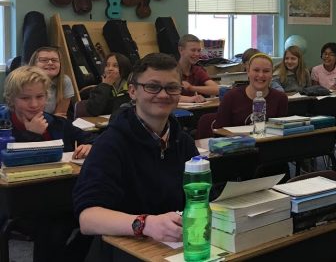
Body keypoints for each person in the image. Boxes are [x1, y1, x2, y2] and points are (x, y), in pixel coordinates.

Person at [74, 53, 198, 252]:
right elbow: (88, 218)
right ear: (132, 91)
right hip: (124, 249)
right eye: (152, 87)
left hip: (175, 245)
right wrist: (145, 224)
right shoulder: (110, 144)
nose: (163, 95)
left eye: (172, 87)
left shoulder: (183, 142)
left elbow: (200, 197)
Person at [2, 66, 95, 262]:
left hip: (60, 196)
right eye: (25, 98)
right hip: (20, 200)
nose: (34, 104)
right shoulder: (4, 125)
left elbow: (91, 138)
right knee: (53, 229)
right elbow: (9, 161)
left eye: (40, 96)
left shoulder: (55, 122)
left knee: (99, 219)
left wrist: (89, 145)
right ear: (11, 99)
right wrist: (31, 135)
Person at [214, 50, 289, 129]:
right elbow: (219, 131)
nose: (261, 75)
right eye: (256, 70)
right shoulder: (230, 98)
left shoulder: (280, 98)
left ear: (271, 74)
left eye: (266, 71)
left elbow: (281, 132)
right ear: (248, 71)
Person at [29, 46, 73, 118]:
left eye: (54, 60)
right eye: (44, 60)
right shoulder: (24, 82)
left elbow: (60, 116)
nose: (50, 63)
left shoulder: (65, 81)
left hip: (52, 123)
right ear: (34, 64)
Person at [86, 52, 132, 117]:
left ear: (125, 68)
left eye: (115, 66)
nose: (110, 69)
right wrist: (105, 85)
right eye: (107, 65)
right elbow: (93, 111)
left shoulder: (132, 88)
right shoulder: (100, 88)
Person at [176, 34, 220, 103]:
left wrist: (191, 88)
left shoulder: (197, 70)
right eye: (193, 50)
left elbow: (217, 89)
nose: (197, 54)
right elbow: (168, 95)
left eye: (199, 50)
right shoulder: (170, 71)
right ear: (181, 50)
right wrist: (190, 99)